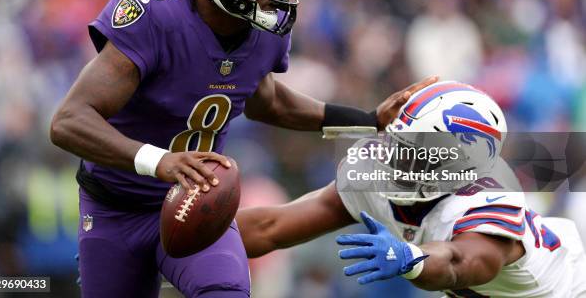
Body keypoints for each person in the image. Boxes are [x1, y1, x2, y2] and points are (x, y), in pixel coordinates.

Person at [49, 0, 435, 298]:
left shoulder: (262, 29)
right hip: (115, 208)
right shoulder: (156, 12)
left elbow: (266, 100)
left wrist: (368, 119)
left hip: (197, 203)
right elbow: (69, 122)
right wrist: (159, 160)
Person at [237, 81, 586, 297]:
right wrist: (191, 240)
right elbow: (272, 227)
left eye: (419, 152)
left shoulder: (489, 197)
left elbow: (460, 262)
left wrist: (411, 259)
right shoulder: (374, 169)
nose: (399, 161)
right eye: (399, 144)